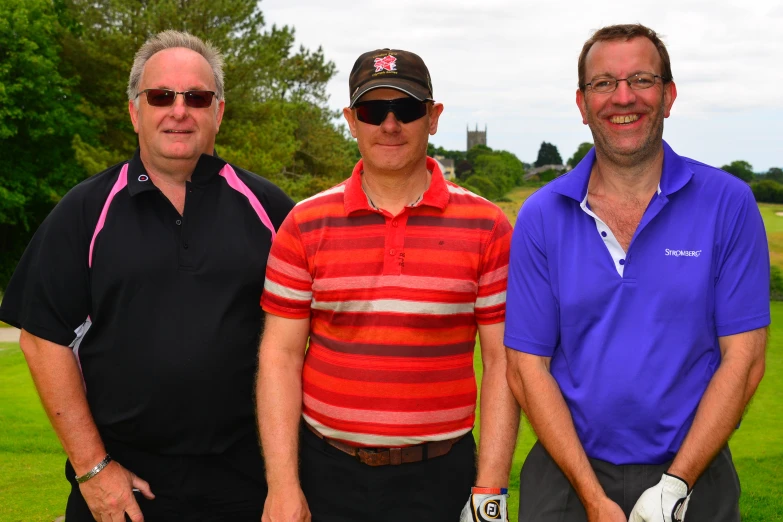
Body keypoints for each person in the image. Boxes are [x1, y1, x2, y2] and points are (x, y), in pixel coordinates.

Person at [0, 30, 293, 521]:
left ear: (218, 111)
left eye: (196, 97)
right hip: (125, 487)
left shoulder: (270, 210)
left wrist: (288, 481)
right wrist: (94, 470)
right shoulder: (84, 210)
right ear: (135, 111)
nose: (179, 111)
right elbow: (42, 339)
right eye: (161, 96)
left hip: (246, 484)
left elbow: (309, 335)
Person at [504, 23, 769, 522]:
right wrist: (591, 497)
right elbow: (526, 367)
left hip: (695, 471)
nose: (623, 98)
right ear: (582, 105)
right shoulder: (542, 214)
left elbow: (745, 360)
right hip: (566, 476)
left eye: (642, 80)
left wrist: (676, 486)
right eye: (603, 83)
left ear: (668, 96)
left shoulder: (728, 203)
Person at [256, 48, 520, 522]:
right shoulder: (303, 223)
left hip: (442, 476)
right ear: (351, 121)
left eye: (408, 109)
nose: (390, 124)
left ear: (433, 117)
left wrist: (490, 490)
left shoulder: (489, 226)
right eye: (373, 110)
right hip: (328, 474)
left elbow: (502, 362)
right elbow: (280, 357)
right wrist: (282, 486)